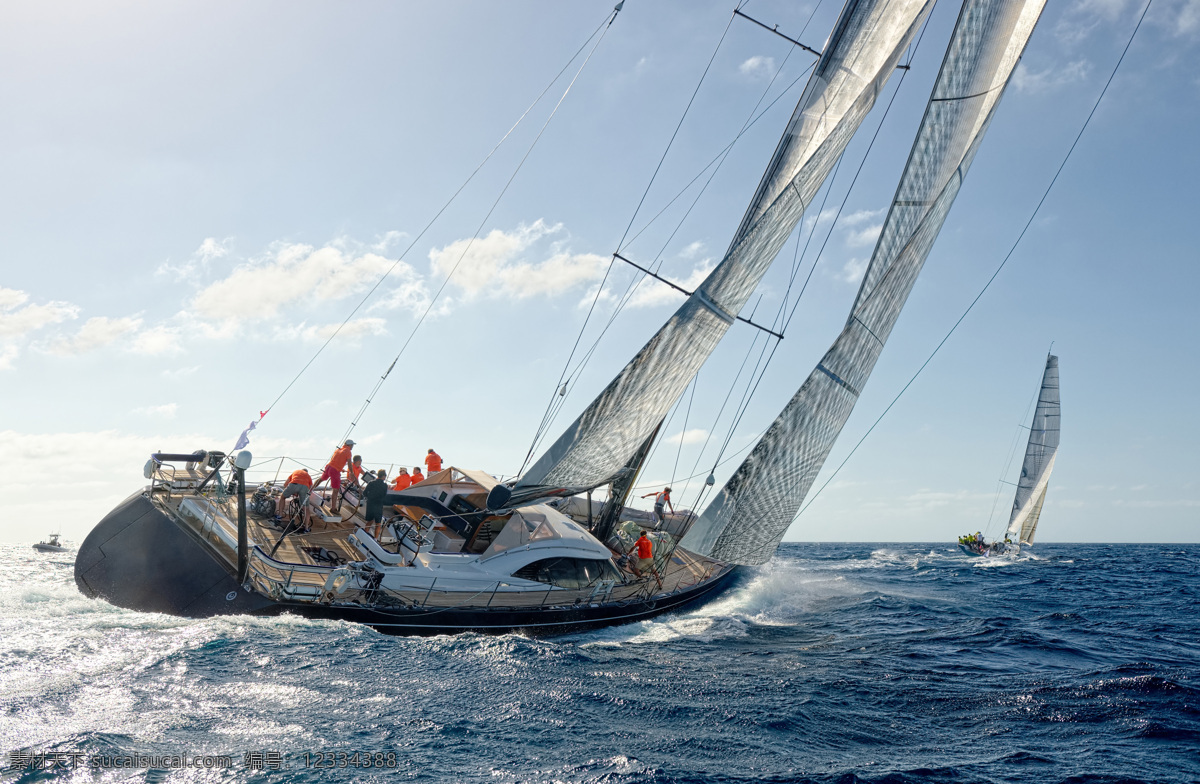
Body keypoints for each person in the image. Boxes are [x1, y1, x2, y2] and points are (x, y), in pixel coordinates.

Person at [316, 439, 355, 514]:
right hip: (335, 471)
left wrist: (341, 469)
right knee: (336, 490)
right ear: (349, 445)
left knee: (321, 479)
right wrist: (351, 472)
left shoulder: (338, 449)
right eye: (352, 445)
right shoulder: (348, 451)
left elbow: (335, 461)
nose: (353, 446)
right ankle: (333, 508)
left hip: (329, 467)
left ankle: (310, 490)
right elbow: (350, 463)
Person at [362, 469, 389, 540]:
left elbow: (364, 493)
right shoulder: (385, 485)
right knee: (378, 523)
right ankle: (375, 539)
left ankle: (364, 537)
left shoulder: (371, 483)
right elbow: (384, 496)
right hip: (379, 505)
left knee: (369, 521)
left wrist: (370, 497)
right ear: (383, 476)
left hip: (370, 504)